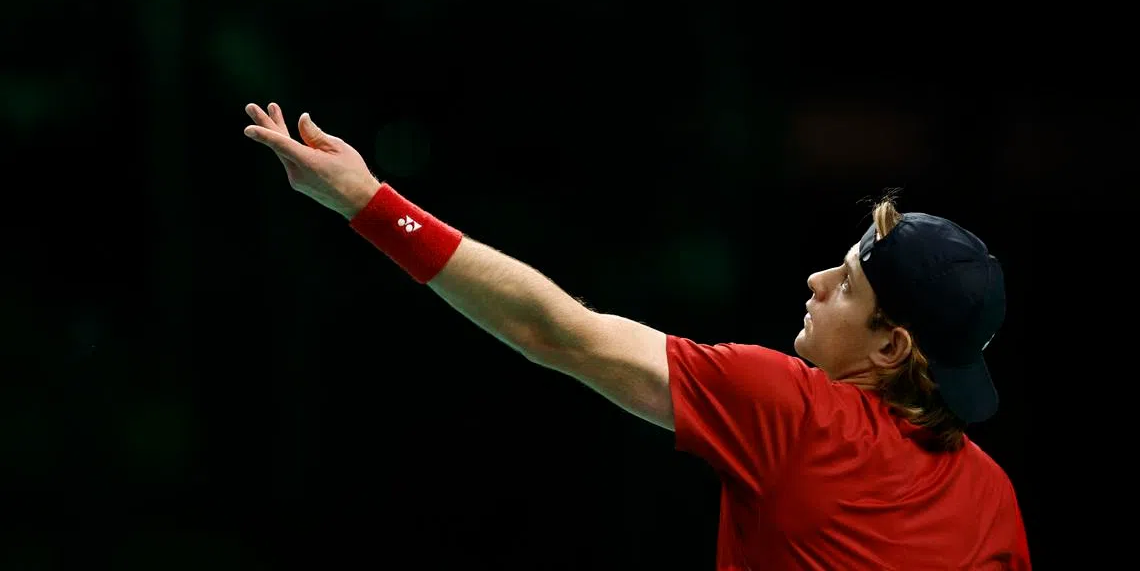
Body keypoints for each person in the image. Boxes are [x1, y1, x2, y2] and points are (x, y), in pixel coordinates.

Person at [242, 102, 1032, 570]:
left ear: (892, 347)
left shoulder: (793, 413)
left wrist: (370, 204)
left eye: (847, 284)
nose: (816, 283)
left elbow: (556, 331)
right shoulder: (995, 503)